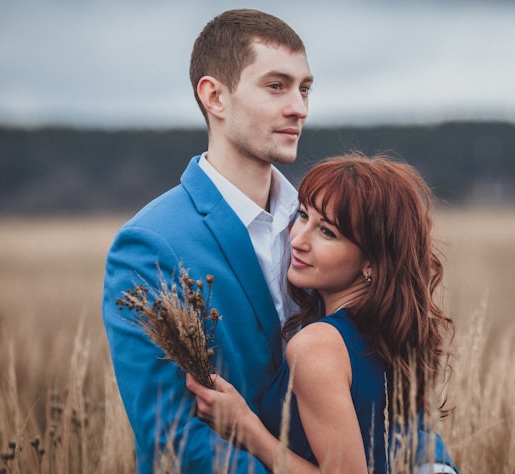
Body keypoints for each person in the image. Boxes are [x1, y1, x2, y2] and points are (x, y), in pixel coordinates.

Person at [102, 9, 313, 473]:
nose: (299, 106)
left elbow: (381, 377)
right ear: (214, 96)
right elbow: (172, 439)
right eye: (276, 86)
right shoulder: (149, 246)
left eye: (304, 88)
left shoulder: (323, 225)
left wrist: (430, 462)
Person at [187, 154, 458, 473]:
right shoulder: (389, 334)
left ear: (371, 261)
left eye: (327, 232)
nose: (298, 240)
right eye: (302, 215)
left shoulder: (316, 346)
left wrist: (248, 429)